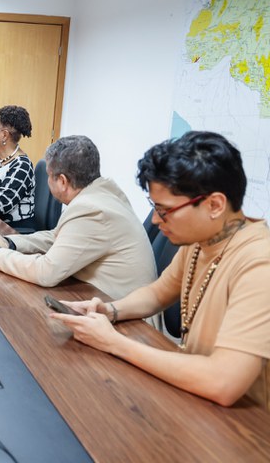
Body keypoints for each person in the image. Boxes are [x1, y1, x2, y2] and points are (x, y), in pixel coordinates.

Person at [51, 131, 270, 408]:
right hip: (196, 399)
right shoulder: (203, 240)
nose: (155, 220)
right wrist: (110, 310)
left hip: (245, 427)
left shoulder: (259, 263)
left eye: (165, 210)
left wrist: (114, 343)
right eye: (154, 207)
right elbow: (157, 294)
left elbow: (223, 382)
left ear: (214, 205)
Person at [0, 135, 155, 298]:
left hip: (131, 323)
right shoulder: (103, 193)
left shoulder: (91, 209)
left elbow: (46, 272)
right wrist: (10, 242)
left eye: (48, 175)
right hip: (103, 298)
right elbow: (57, 237)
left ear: (62, 181)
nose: (46, 181)